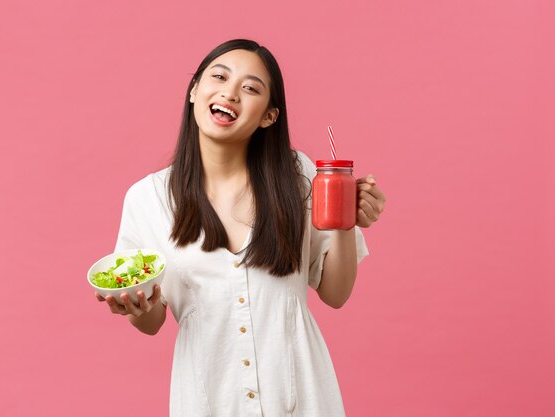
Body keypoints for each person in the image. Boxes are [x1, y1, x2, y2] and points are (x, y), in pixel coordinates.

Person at [95, 39, 386, 417]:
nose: (230, 93)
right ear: (195, 90)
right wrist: (136, 304)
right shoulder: (148, 198)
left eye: (250, 88)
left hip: (303, 398)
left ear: (268, 115)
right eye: (219, 77)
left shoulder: (301, 178)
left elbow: (336, 293)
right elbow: (150, 323)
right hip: (208, 400)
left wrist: (346, 220)